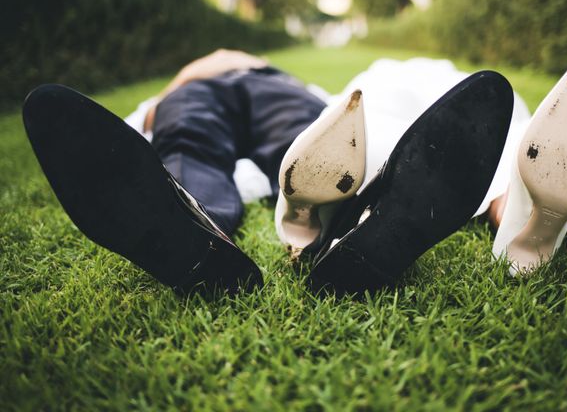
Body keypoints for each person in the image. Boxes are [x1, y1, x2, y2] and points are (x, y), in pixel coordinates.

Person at [23, 49, 513, 295]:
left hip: (274, 89)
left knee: (309, 152)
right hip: (198, 93)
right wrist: (166, 101)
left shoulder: (267, 69)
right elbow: (157, 114)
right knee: (190, 141)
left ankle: (351, 219)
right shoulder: (198, 75)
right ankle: (192, 231)